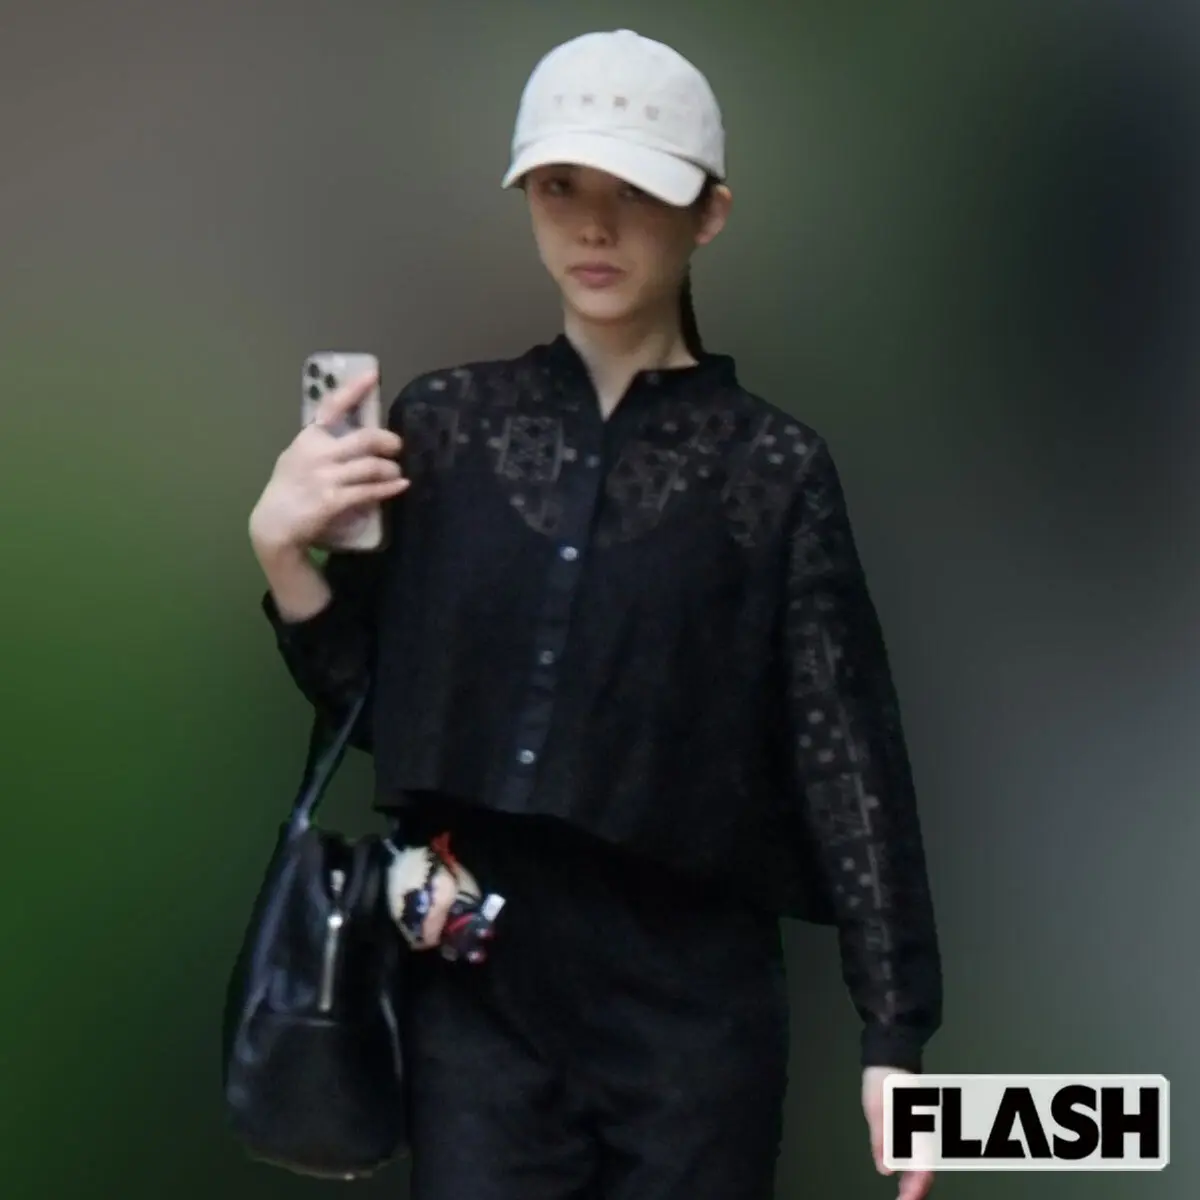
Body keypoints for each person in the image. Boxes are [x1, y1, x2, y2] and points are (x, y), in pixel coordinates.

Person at [249, 28, 942, 1200]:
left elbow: (846, 757)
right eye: (561, 187)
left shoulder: (771, 469)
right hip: (476, 995)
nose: (594, 226)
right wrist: (282, 551)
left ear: (710, 213)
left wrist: (894, 1035)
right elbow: (375, 699)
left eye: (636, 191)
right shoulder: (448, 426)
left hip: (692, 1016)